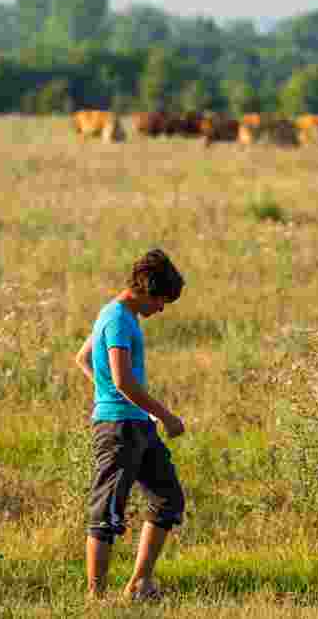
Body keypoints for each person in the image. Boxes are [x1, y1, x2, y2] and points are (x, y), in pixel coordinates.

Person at [74, 248, 187, 602]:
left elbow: (83, 358)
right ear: (148, 289)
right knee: (107, 512)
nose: (162, 308)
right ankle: (96, 600)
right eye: (162, 300)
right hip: (118, 429)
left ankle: (139, 584)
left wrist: (125, 400)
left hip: (137, 424)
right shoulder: (119, 319)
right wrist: (165, 416)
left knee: (168, 499)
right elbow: (122, 380)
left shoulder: (117, 315)